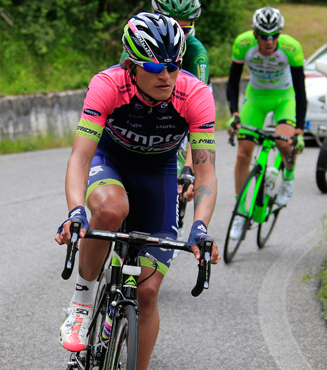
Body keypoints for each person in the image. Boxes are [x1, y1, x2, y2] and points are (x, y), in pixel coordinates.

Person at [55, 12, 220, 370]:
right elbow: (80, 156)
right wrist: (75, 211)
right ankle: (82, 302)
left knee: (146, 293)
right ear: (131, 64)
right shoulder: (108, 84)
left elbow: (206, 171)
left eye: (174, 66)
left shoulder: (196, 94)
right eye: (155, 67)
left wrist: (201, 226)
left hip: (158, 174)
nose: (166, 76)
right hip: (110, 161)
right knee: (112, 209)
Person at [226, 6, 306, 239]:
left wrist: (299, 130)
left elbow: (300, 93)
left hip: (284, 98)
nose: (269, 41)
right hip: (256, 99)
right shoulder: (243, 45)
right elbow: (232, 83)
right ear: (255, 34)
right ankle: (240, 213)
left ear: (280, 35)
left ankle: (288, 179)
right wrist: (234, 113)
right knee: (243, 154)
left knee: (284, 143)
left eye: (274, 36)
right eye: (263, 36)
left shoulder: (292, 48)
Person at [151, 0, 210, 244]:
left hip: (179, 117)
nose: (179, 35)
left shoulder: (196, 55)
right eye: (173, 27)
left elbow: (198, 120)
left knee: (176, 186)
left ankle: (173, 223)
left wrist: (189, 166)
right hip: (142, 113)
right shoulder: (139, 37)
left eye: (186, 30)